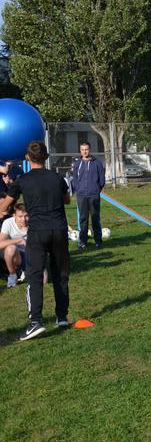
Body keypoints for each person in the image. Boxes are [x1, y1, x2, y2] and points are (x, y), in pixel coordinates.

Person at [0, 141, 71, 341]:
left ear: (28, 158)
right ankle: (62, 317)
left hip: (38, 232)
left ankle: (35, 322)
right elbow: (67, 200)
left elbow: (6, 205)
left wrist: (4, 208)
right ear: (46, 157)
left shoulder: (22, 180)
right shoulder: (57, 178)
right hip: (58, 230)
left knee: (35, 276)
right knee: (60, 274)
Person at [71, 141, 105, 249]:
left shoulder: (97, 163)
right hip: (81, 195)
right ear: (80, 151)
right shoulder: (77, 164)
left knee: (95, 217)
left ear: (90, 150)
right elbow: (75, 179)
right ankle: (83, 242)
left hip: (93, 195)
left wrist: (96, 190)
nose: (84, 151)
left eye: (86, 149)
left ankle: (98, 241)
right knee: (83, 219)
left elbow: (102, 180)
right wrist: (78, 189)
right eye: (82, 150)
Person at [1, 203, 28, 287]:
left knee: (44, 280)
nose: (23, 219)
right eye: (20, 216)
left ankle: (24, 271)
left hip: (30, 254)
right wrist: (18, 240)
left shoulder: (34, 222)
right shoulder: (8, 223)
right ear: (14, 216)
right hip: (15, 254)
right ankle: (12, 275)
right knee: (10, 248)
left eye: (26, 216)